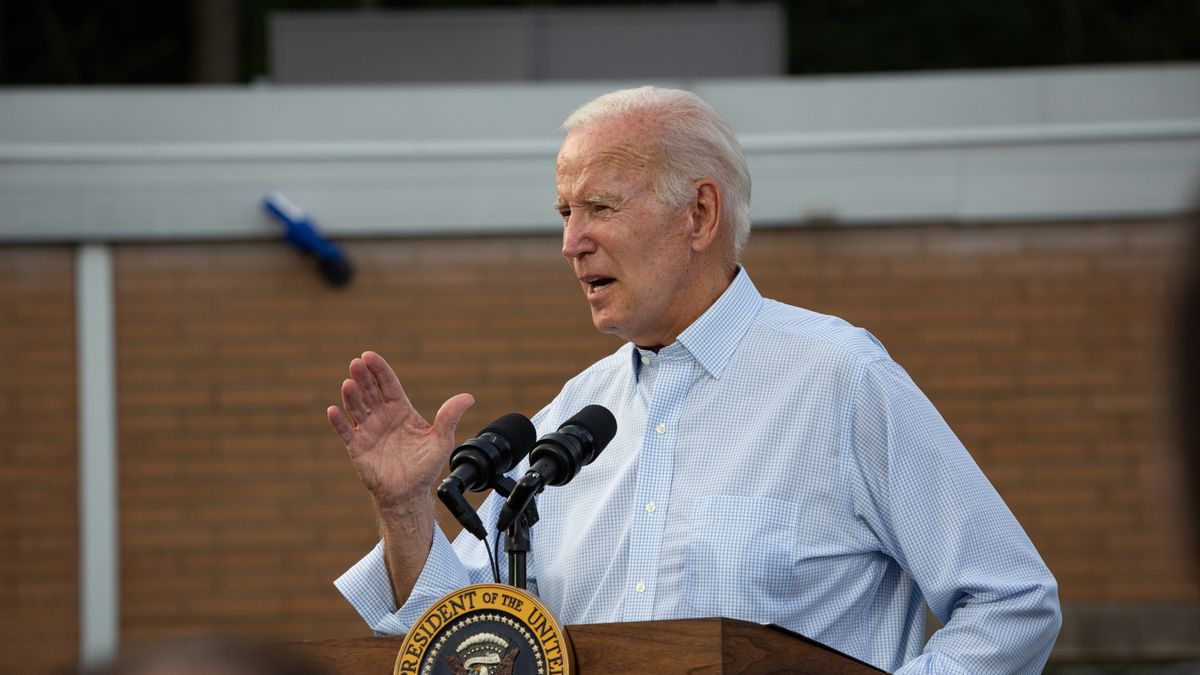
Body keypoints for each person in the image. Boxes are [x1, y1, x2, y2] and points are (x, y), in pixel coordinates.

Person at [328, 86, 1061, 673]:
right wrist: (404, 510)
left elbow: (1011, 602)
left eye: (600, 207)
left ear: (700, 214)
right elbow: (470, 643)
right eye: (563, 212)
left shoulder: (840, 378)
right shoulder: (571, 419)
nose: (569, 242)